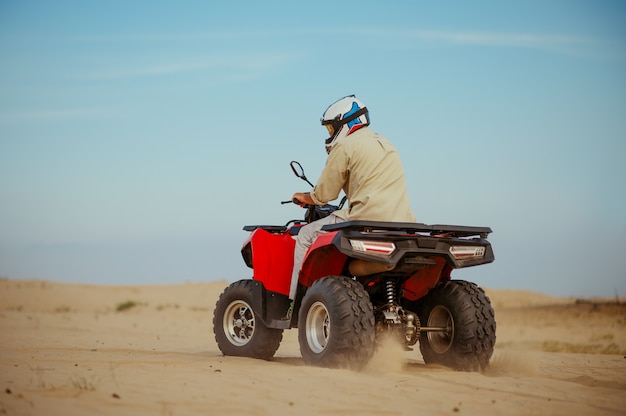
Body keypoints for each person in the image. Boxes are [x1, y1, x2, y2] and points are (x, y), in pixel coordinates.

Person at [288, 95, 415, 301]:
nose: (330, 134)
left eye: (330, 128)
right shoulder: (387, 144)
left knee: (304, 236)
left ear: (345, 122)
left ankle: (296, 303)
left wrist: (303, 196)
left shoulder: (345, 146)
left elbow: (324, 195)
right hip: (402, 222)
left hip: (364, 218)